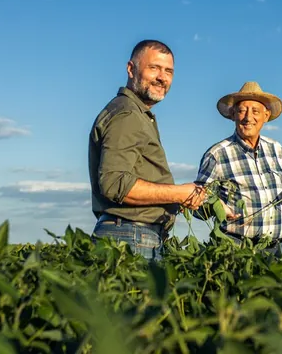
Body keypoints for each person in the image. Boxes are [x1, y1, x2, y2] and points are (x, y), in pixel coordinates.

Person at [88, 39, 206, 261]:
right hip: (130, 237)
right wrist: (179, 193)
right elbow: (114, 183)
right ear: (131, 69)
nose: (162, 77)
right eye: (154, 68)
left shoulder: (136, 114)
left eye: (168, 71)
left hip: (133, 235)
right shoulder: (128, 114)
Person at [192, 81, 282, 256]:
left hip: (275, 249)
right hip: (235, 249)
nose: (248, 117)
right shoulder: (218, 154)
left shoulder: (276, 149)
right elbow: (196, 202)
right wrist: (215, 205)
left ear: (266, 115)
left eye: (255, 111)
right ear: (233, 115)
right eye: (242, 111)